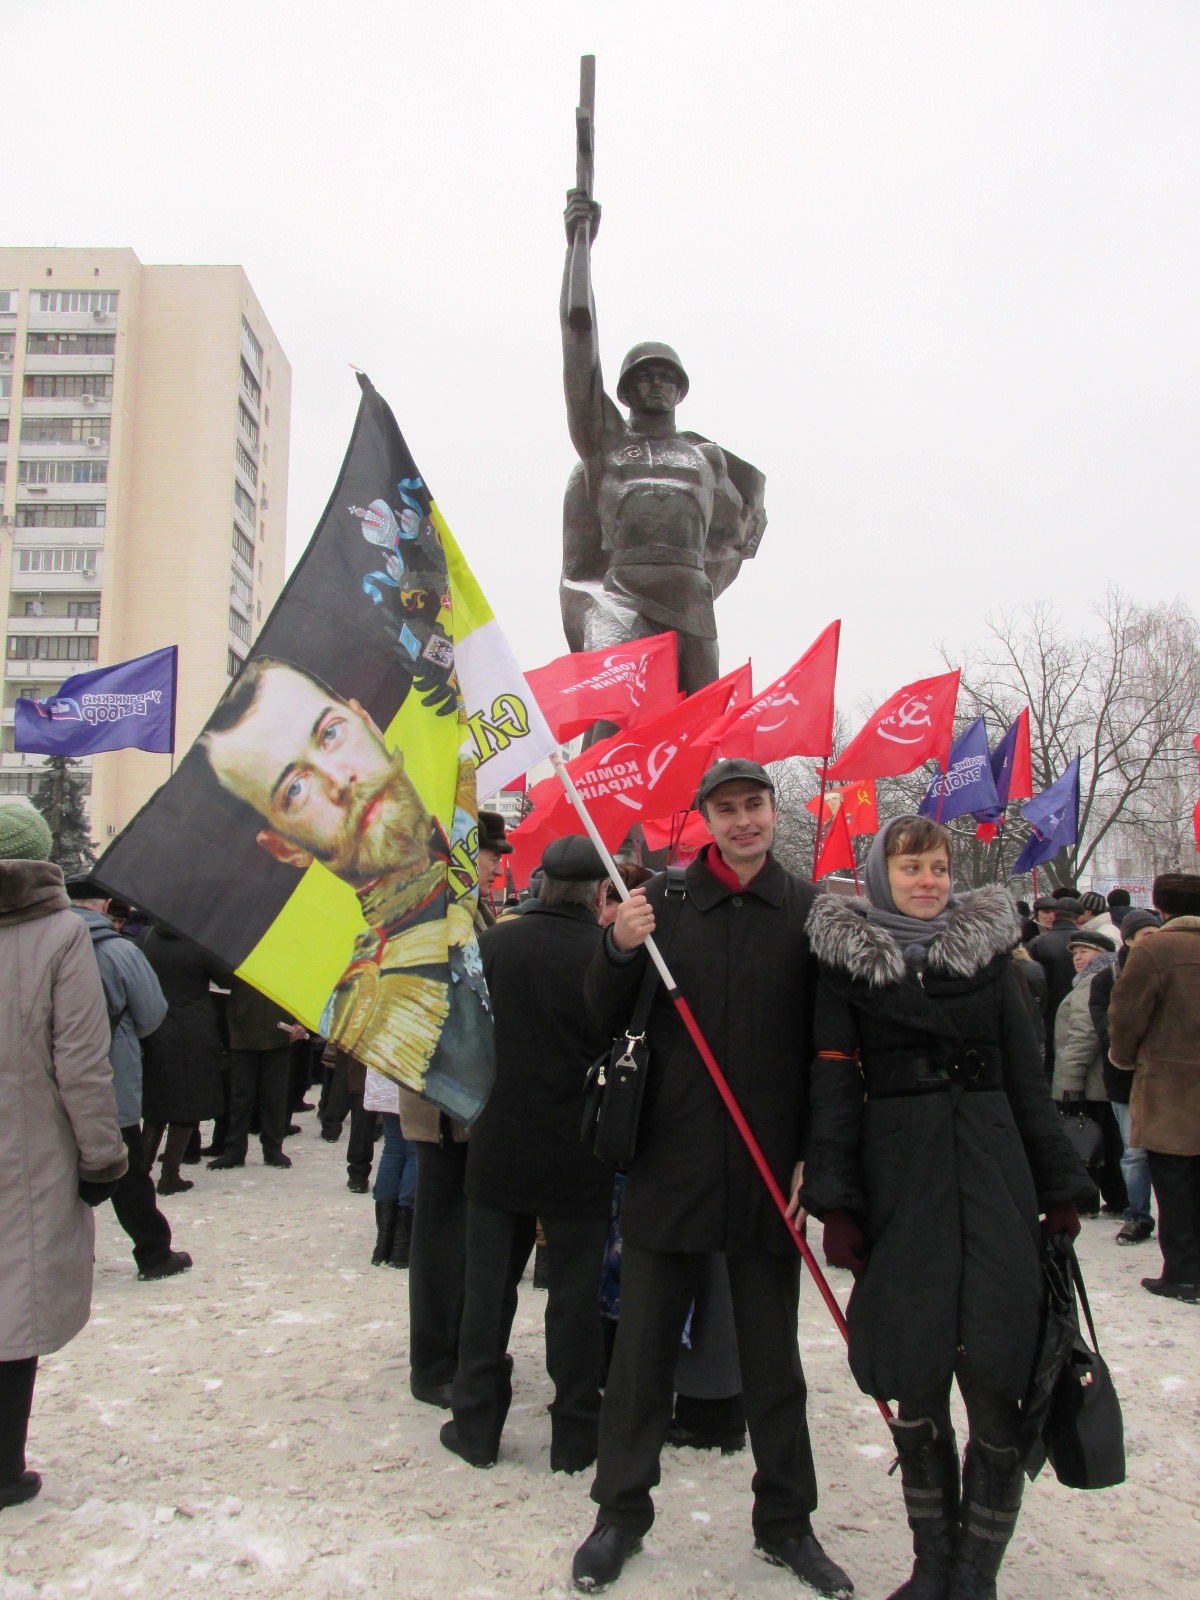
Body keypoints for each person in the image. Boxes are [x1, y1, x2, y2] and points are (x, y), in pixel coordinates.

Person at [570, 758, 851, 1598]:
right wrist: (618, 948)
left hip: (770, 1171)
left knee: (773, 1366)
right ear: (705, 819)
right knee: (642, 1361)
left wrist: (817, 1154)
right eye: (726, 809)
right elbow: (599, 1013)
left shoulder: (811, 911)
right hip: (671, 1162)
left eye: (754, 805)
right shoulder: (664, 903)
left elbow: (832, 1052)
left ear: (774, 811)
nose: (743, 821)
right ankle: (619, 1515)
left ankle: (786, 1524)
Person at [798, 815, 1093, 1600]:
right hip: (902, 1185)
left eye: (936, 867)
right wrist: (839, 1205)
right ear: (878, 877)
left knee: (1001, 1376)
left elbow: (1029, 1084)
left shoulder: (995, 965)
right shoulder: (846, 974)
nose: (927, 881)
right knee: (915, 1382)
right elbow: (833, 1092)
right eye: (910, 869)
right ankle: (932, 1566)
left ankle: (976, 1576)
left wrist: (1059, 1186)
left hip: (996, 1179)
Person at [201, 656, 493, 1122]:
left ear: (368, 723)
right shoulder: (384, 1006)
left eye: (330, 733)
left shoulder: (461, 846)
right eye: (295, 788)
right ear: (283, 848)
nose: (340, 781)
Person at [441, 836, 614, 1473]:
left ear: (540, 885)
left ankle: (476, 1424)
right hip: (578, 1148)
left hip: (499, 1142)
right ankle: (575, 1437)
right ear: (600, 892)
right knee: (574, 1297)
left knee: (486, 1292)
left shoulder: (493, 945)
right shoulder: (605, 955)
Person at [559, 190, 766, 697]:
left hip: (691, 594)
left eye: (665, 377)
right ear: (627, 390)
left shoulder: (706, 458)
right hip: (623, 593)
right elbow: (577, 343)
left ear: (680, 388)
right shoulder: (605, 449)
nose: (656, 384)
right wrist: (577, 247)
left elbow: (734, 533)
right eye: (645, 377)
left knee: (701, 724)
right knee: (613, 715)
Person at [0, 805, 128, 1509]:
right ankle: (3, 1465)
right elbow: (82, 1061)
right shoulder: (60, 935)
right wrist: (102, 1157)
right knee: (14, 1305)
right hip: (29, 1148)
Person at [66, 876, 191, 1282]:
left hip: (47, 1082)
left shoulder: (36, 944)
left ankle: (60, 1261)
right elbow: (152, 1012)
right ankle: (154, 1253)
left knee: (54, 1171)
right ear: (102, 905)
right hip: (110, 1075)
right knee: (126, 1168)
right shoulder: (119, 951)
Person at [1108, 872, 1200, 1302]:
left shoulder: (1153, 949)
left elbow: (1126, 1016)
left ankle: (1182, 1273)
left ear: (1161, 908)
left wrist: (1123, 1058)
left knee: (1175, 1183)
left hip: (1169, 1086)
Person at [137, 925, 228, 1194]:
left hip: (155, 1027)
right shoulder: (199, 942)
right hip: (194, 1031)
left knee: (156, 1106)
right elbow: (227, 978)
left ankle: (141, 1173)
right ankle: (170, 1175)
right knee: (189, 1103)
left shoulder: (145, 938)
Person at [1090, 910, 1162, 1245]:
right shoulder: (1107, 979)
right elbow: (1107, 1031)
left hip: (1168, 1078)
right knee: (1134, 1151)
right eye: (1147, 933)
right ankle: (1137, 1215)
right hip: (1125, 1077)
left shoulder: (1168, 971)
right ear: (1129, 939)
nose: (1154, 939)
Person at [1050, 929, 1127, 1216]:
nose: (1078, 957)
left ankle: (1094, 1199)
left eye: (1085, 951)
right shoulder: (1095, 980)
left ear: (1102, 954)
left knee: (1091, 1141)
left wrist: (1069, 1080)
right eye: (1075, 953)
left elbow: (1084, 1034)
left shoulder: (1091, 983)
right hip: (1098, 1081)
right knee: (1104, 1140)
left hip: (1090, 1081)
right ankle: (1117, 1198)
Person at [208, 977, 306, 1170]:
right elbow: (222, 980)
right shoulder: (238, 952)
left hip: (279, 1030)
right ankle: (234, 1149)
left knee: (274, 1095)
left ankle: (272, 1147)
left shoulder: (288, 955)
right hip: (242, 1029)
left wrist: (300, 1021)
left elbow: (301, 986)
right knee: (240, 1096)